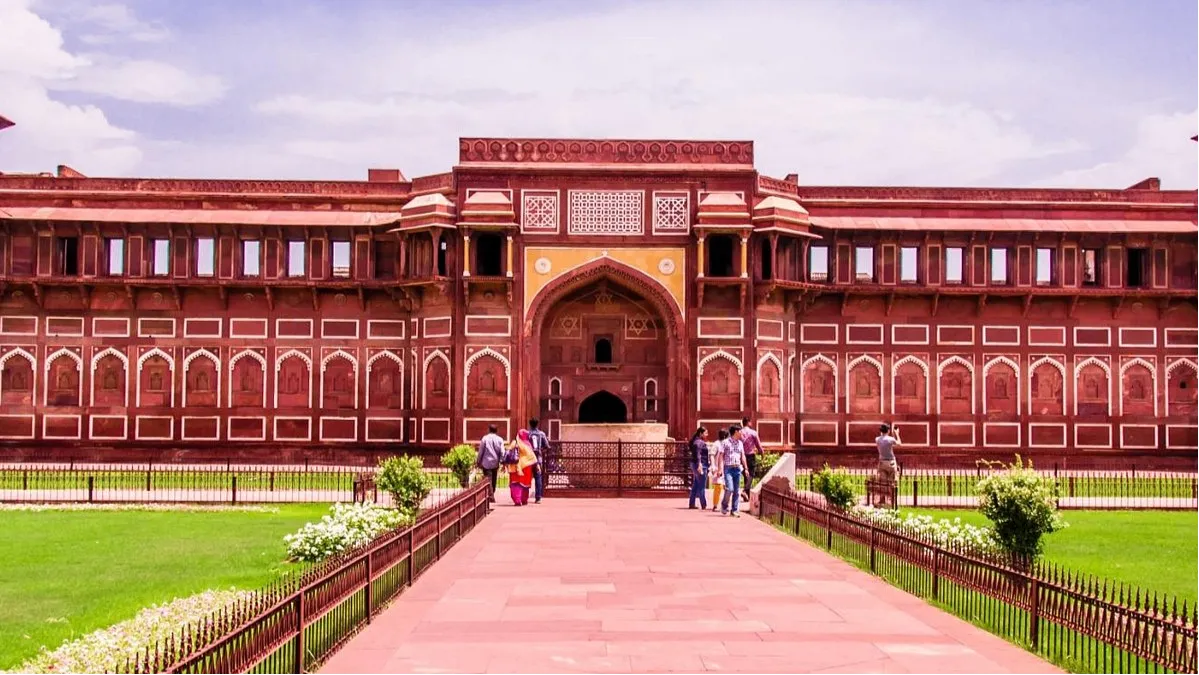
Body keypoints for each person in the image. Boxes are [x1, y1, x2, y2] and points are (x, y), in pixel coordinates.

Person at [719, 425, 749, 517]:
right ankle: (724, 505)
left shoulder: (740, 443)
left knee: (736, 491)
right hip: (728, 468)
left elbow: (742, 456)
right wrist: (720, 469)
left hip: (737, 468)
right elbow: (721, 456)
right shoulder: (725, 442)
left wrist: (746, 468)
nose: (742, 433)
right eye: (740, 431)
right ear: (736, 432)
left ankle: (734, 510)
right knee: (730, 489)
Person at [504, 429, 538, 506]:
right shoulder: (528, 444)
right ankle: (524, 499)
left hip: (515, 466)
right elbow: (532, 457)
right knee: (525, 484)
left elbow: (508, 452)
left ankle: (517, 500)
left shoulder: (515, 443)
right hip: (527, 466)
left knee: (516, 484)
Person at [476, 424, 506, 502]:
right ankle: (491, 494)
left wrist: (478, 461)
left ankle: (491, 495)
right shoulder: (500, 439)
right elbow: (503, 452)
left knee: (488, 479)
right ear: (496, 431)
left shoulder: (484, 439)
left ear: (489, 430)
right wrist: (502, 462)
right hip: (495, 463)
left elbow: (481, 451)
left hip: (486, 462)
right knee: (494, 479)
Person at [526, 418, 550, 504]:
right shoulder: (541, 434)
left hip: (528, 459)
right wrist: (540, 450)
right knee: (538, 478)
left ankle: (524, 497)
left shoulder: (527, 434)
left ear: (530, 424)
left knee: (526, 478)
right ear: (537, 424)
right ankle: (538, 498)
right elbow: (547, 446)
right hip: (538, 460)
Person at [740, 416, 762, 499]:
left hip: (742, 456)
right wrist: (762, 453)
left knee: (746, 474)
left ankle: (747, 496)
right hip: (750, 455)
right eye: (751, 422)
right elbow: (758, 445)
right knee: (751, 474)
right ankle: (745, 490)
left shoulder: (739, 433)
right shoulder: (753, 432)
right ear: (748, 422)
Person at [687, 426, 709, 510]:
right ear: (701, 433)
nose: (707, 435)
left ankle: (691, 503)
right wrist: (699, 465)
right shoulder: (699, 442)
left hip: (695, 464)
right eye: (705, 433)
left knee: (696, 484)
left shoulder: (695, 441)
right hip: (700, 465)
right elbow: (698, 454)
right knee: (702, 485)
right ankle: (704, 504)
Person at [708, 429, 728, 511]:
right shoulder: (716, 444)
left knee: (727, 488)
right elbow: (712, 455)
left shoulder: (727, 444)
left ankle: (725, 505)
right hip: (718, 468)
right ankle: (715, 505)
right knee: (718, 487)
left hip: (727, 468)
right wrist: (713, 466)